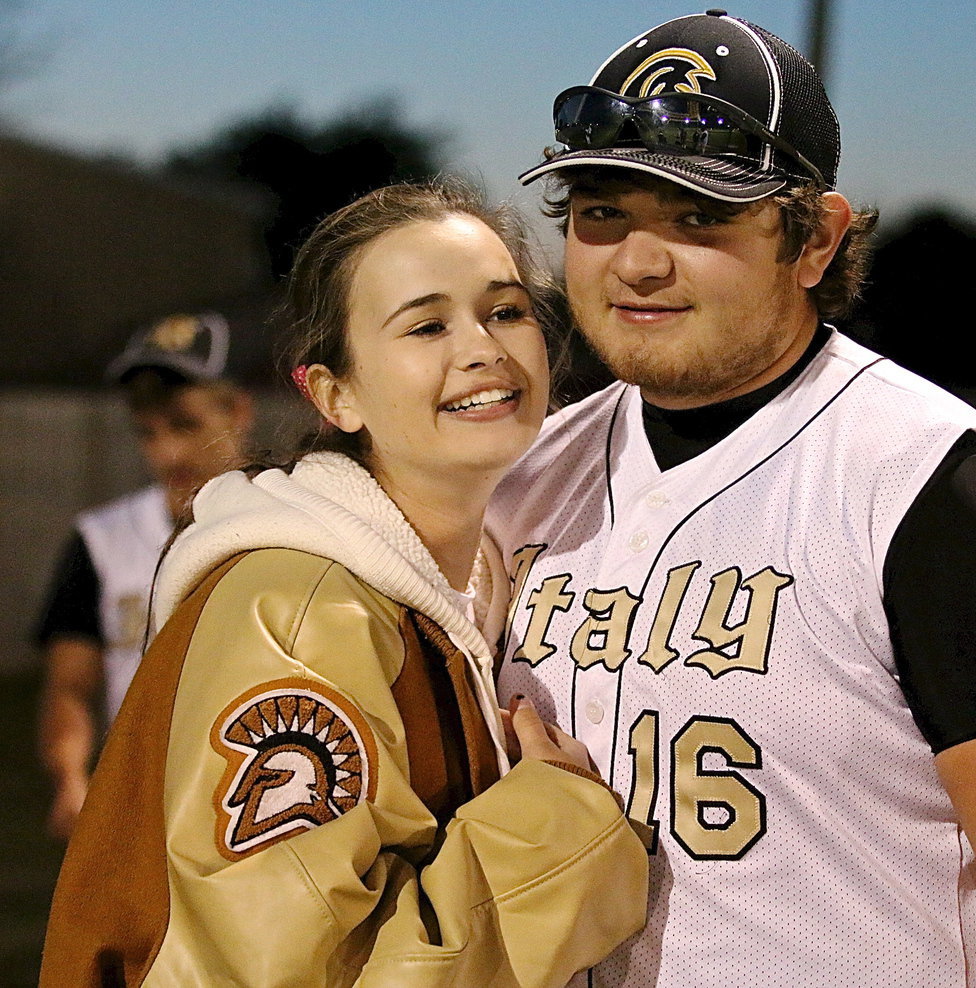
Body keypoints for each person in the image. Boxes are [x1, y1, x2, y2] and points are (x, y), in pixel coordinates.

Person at [489, 11, 976, 987]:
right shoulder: (521, 477)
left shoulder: (942, 495)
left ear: (815, 238)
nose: (637, 260)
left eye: (698, 215)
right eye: (603, 212)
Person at [41, 179, 648, 988]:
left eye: (505, 311)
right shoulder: (299, 611)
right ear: (336, 392)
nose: (483, 349)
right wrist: (562, 826)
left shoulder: (468, 580)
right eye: (427, 325)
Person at [35, 312, 254, 840]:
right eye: (147, 433)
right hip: (145, 799)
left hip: (265, 791)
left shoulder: (296, 522)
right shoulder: (103, 538)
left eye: (186, 424)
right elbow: (70, 681)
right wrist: (70, 776)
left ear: (237, 411)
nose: (167, 453)